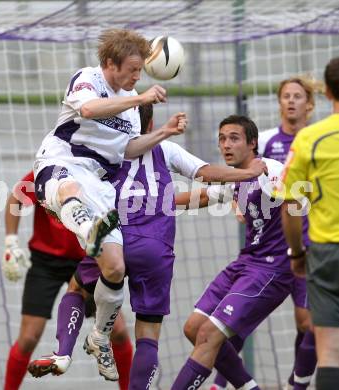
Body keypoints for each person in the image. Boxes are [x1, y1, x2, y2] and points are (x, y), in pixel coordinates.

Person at [28, 106, 268, 388]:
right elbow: (205, 172)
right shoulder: (166, 149)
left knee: (77, 289)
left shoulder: (104, 150)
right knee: (148, 335)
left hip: (115, 237)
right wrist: (244, 175)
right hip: (155, 248)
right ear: (151, 121)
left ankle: (64, 352)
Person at [32, 27, 187, 380]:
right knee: (68, 189)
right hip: (63, 162)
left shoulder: (132, 112)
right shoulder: (88, 79)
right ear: (109, 63)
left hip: (99, 183)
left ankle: (99, 336)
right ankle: (90, 230)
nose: (137, 76)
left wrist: (162, 132)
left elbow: (127, 150)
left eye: (140, 71)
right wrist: (140, 97)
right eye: (132, 69)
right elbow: (88, 109)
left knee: (114, 268)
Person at [172, 115, 296, 390]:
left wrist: (299, 254)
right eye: (222, 139)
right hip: (246, 262)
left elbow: (297, 203)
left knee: (208, 334)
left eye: (234, 138)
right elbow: (204, 197)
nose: (226, 145)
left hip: (272, 268)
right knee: (193, 327)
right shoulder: (237, 179)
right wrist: (155, 202)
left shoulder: (270, 170)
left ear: (252, 143)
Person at [211, 77, 318, 390]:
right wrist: (236, 200)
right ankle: (220, 383)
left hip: (309, 242)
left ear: (309, 104)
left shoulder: (319, 140)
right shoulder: (269, 141)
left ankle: (296, 384)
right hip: (267, 247)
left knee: (307, 321)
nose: (291, 101)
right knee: (237, 321)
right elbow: (243, 177)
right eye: (285, 95)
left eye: (298, 96)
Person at [2, 171, 133, 390]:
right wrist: (10, 242)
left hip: (87, 257)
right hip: (47, 262)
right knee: (28, 338)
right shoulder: (47, 170)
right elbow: (15, 198)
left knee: (118, 332)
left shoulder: (97, 169)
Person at [280, 57, 339, 390]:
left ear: (327, 91)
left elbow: (290, 203)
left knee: (329, 352)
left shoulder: (308, 139)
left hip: (325, 254)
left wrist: (297, 252)